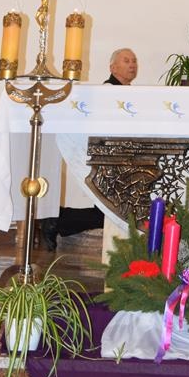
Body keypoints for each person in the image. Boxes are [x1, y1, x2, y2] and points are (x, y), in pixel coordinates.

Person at [41, 49, 139, 250]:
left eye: (134, 61)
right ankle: (56, 219)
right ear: (113, 67)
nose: (132, 64)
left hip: (121, 159)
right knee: (111, 212)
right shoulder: (106, 91)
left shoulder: (128, 92)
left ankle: (57, 219)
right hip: (107, 159)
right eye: (126, 60)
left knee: (110, 212)